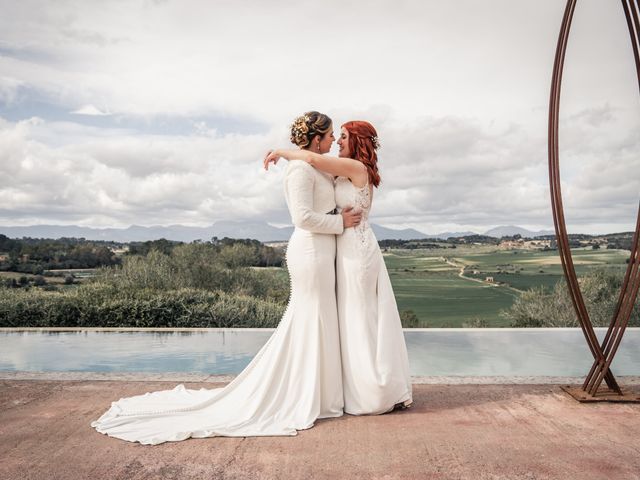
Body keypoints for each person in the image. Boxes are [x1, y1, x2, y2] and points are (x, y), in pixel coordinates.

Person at [91, 111, 361, 444]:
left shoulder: (314, 164)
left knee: (320, 320)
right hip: (310, 252)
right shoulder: (299, 170)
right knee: (311, 318)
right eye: (331, 134)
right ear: (317, 138)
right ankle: (302, 394)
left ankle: (322, 393)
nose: (335, 139)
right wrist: (340, 223)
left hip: (325, 251)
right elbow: (302, 217)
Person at [264, 120, 413, 415]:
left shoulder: (357, 169)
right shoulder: (341, 167)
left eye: (342, 137)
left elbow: (311, 157)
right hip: (340, 247)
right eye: (335, 136)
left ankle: (374, 390)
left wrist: (281, 151)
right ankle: (354, 389)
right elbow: (313, 175)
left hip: (356, 249)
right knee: (349, 317)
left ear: (357, 142)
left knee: (360, 316)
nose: (338, 141)